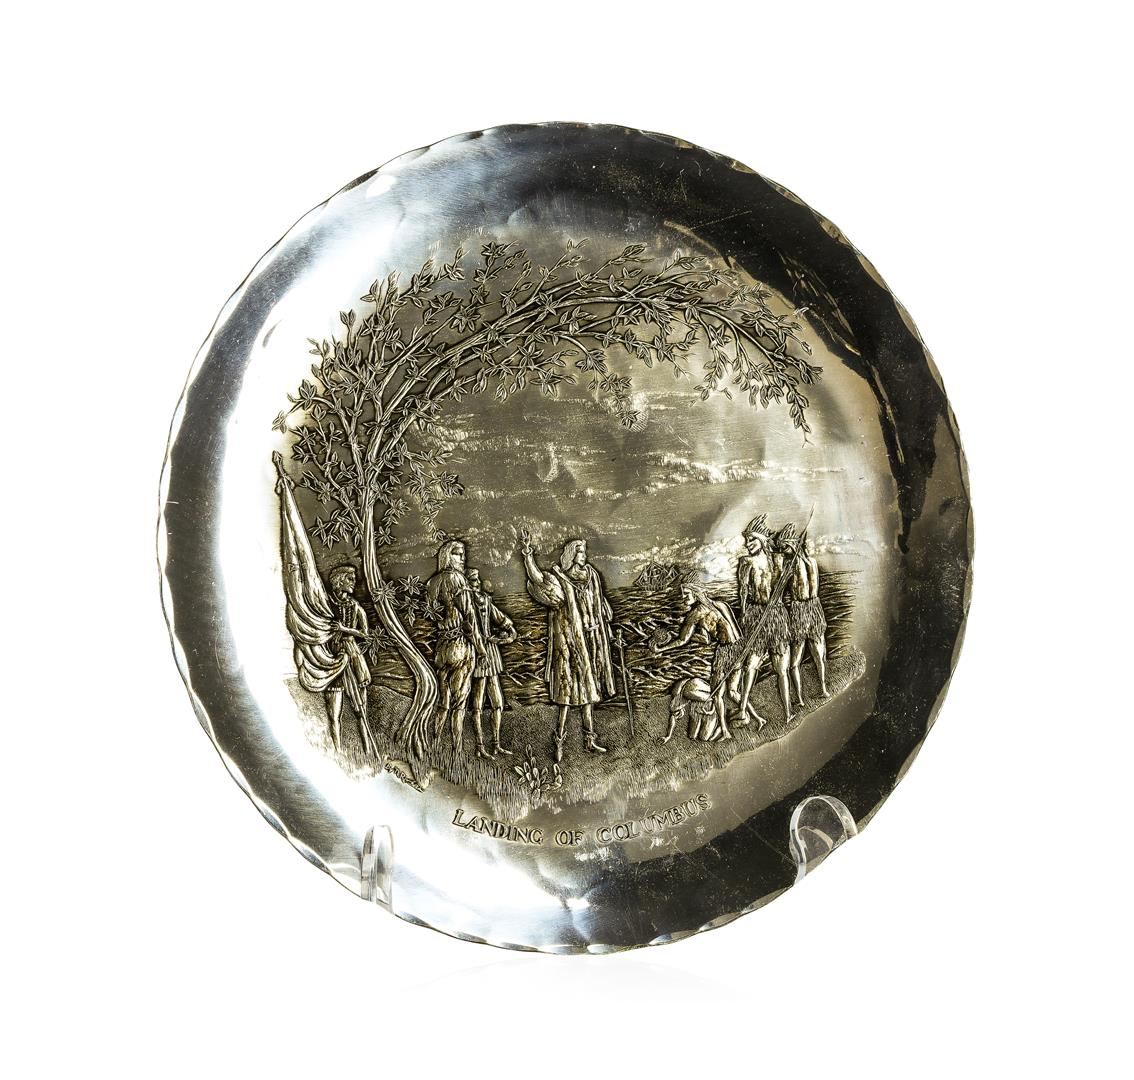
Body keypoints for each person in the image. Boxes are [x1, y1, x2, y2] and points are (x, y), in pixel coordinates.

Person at [519, 535, 615, 763]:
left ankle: (589, 740)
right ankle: (559, 741)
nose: (584, 556)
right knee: (567, 694)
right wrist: (528, 555)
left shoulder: (591, 576)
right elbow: (538, 579)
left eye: (585, 552)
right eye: (580, 552)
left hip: (591, 642)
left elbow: (601, 606)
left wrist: (609, 633)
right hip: (571, 646)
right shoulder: (560, 579)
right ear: (572, 555)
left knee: (589, 693)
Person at [652, 582, 758, 739]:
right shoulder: (721, 604)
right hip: (739, 649)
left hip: (725, 653)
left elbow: (682, 640)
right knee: (733, 691)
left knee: (717, 696)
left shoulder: (696, 613)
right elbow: (709, 638)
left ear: (695, 594)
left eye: (686, 594)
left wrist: (661, 649)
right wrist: (690, 635)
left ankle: (725, 731)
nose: (683, 597)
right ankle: (757, 717)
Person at [425, 540, 487, 755]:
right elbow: (469, 620)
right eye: (458, 554)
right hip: (460, 645)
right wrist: (480, 648)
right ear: (447, 556)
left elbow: (430, 615)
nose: (463, 558)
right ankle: (456, 751)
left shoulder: (432, 582)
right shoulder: (458, 579)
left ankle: (433, 746)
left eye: (463, 554)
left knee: (443, 702)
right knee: (459, 703)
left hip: (441, 647)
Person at [734, 516, 794, 724]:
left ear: (761, 539)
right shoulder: (746, 562)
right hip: (755, 614)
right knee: (751, 665)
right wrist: (744, 616)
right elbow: (743, 592)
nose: (747, 543)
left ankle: (788, 712)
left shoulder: (779, 560)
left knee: (782, 668)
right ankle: (742, 710)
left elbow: (788, 582)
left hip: (776, 615)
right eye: (746, 539)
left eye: (751, 539)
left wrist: (788, 572)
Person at [324, 564, 377, 755]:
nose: (354, 582)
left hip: (353, 656)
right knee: (333, 713)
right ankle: (337, 751)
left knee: (361, 711)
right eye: (350, 579)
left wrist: (344, 629)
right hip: (333, 656)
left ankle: (368, 750)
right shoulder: (326, 602)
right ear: (339, 581)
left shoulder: (355, 607)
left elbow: (365, 633)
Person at [466, 568, 517, 758]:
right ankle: (479, 745)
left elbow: (502, 620)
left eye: (477, 580)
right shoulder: (465, 604)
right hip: (477, 654)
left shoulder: (486, 601)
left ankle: (496, 744)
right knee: (477, 705)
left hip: (491, 653)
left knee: (498, 703)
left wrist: (509, 632)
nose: (477, 583)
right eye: (473, 580)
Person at [783, 533, 829, 705]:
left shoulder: (790, 564)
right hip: (815, 607)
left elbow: (781, 590)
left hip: (800, 611)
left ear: (793, 546)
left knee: (794, 662)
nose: (783, 551)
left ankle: (800, 699)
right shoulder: (813, 562)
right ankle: (823, 689)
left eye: (785, 547)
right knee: (819, 656)